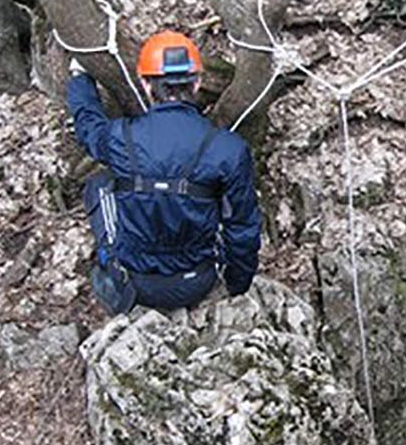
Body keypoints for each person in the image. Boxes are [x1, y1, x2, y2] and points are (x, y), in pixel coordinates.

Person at [67, 29, 261, 315]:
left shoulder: (121, 137)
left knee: (99, 185)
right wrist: (237, 286)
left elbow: (88, 126)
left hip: (135, 283)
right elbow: (242, 229)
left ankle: (110, 269)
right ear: (196, 84)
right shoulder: (228, 148)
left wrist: (80, 77)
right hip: (198, 281)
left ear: (146, 85)